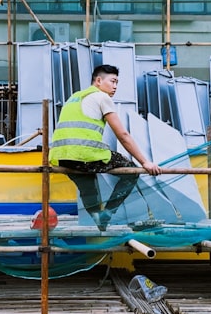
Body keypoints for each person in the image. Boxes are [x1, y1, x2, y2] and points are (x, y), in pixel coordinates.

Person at [49, 64, 161, 230]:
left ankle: (99, 221)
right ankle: (107, 213)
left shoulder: (74, 97)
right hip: (84, 154)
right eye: (112, 81)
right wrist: (145, 162)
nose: (115, 87)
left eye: (117, 83)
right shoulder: (102, 97)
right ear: (99, 80)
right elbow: (123, 135)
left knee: (88, 184)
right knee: (132, 171)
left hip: (62, 157)